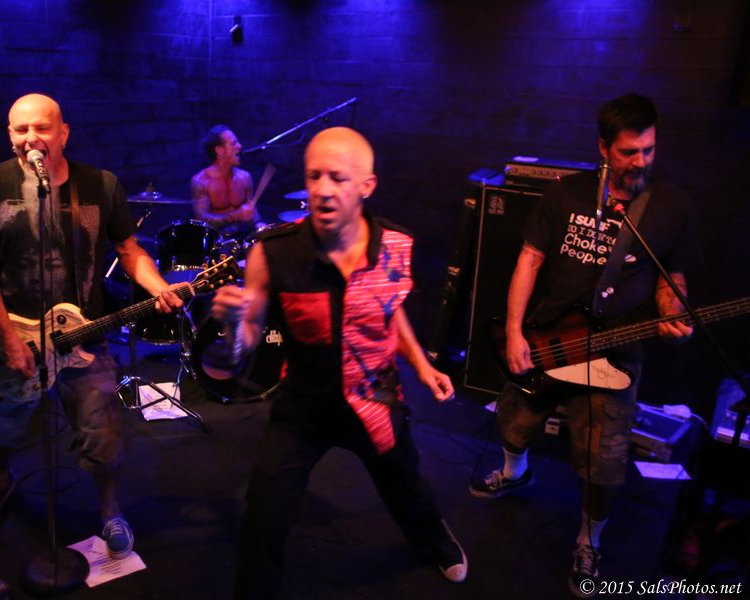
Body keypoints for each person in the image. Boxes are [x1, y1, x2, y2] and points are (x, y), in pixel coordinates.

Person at [211, 126, 468, 597]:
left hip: (375, 399)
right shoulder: (274, 253)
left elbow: (389, 311)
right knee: (265, 510)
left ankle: (435, 540)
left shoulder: (396, 246)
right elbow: (246, 342)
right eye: (314, 176)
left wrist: (421, 364)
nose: (323, 189)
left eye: (337, 178)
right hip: (303, 406)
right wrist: (231, 326)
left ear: (367, 186)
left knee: (406, 486)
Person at [468, 93, 694, 597]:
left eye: (649, 150)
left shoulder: (671, 207)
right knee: (516, 419)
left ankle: (589, 540)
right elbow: (529, 259)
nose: (641, 162)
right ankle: (515, 473)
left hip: (616, 353)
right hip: (551, 336)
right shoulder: (566, 194)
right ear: (603, 148)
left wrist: (673, 310)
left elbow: (671, 275)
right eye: (629, 152)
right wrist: (514, 331)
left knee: (603, 458)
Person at [0, 93, 182, 559]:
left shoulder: (100, 185)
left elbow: (129, 250)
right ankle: (0, 482)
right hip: (13, 337)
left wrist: (159, 287)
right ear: (9, 135)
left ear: (63, 133)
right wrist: (7, 338)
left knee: (104, 436)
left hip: (85, 336)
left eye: (41, 128)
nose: (31, 138)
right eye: (21, 130)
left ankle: (109, 511)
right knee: (0, 426)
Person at [190, 124, 263, 237]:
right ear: (220, 150)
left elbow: (252, 211)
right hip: (215, 242)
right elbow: (201, 221)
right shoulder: (201, 181)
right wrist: (236, 216)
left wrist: (259, 223)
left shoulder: (245, 177)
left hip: (241, 239)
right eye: (234, 143)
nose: (240, 146)